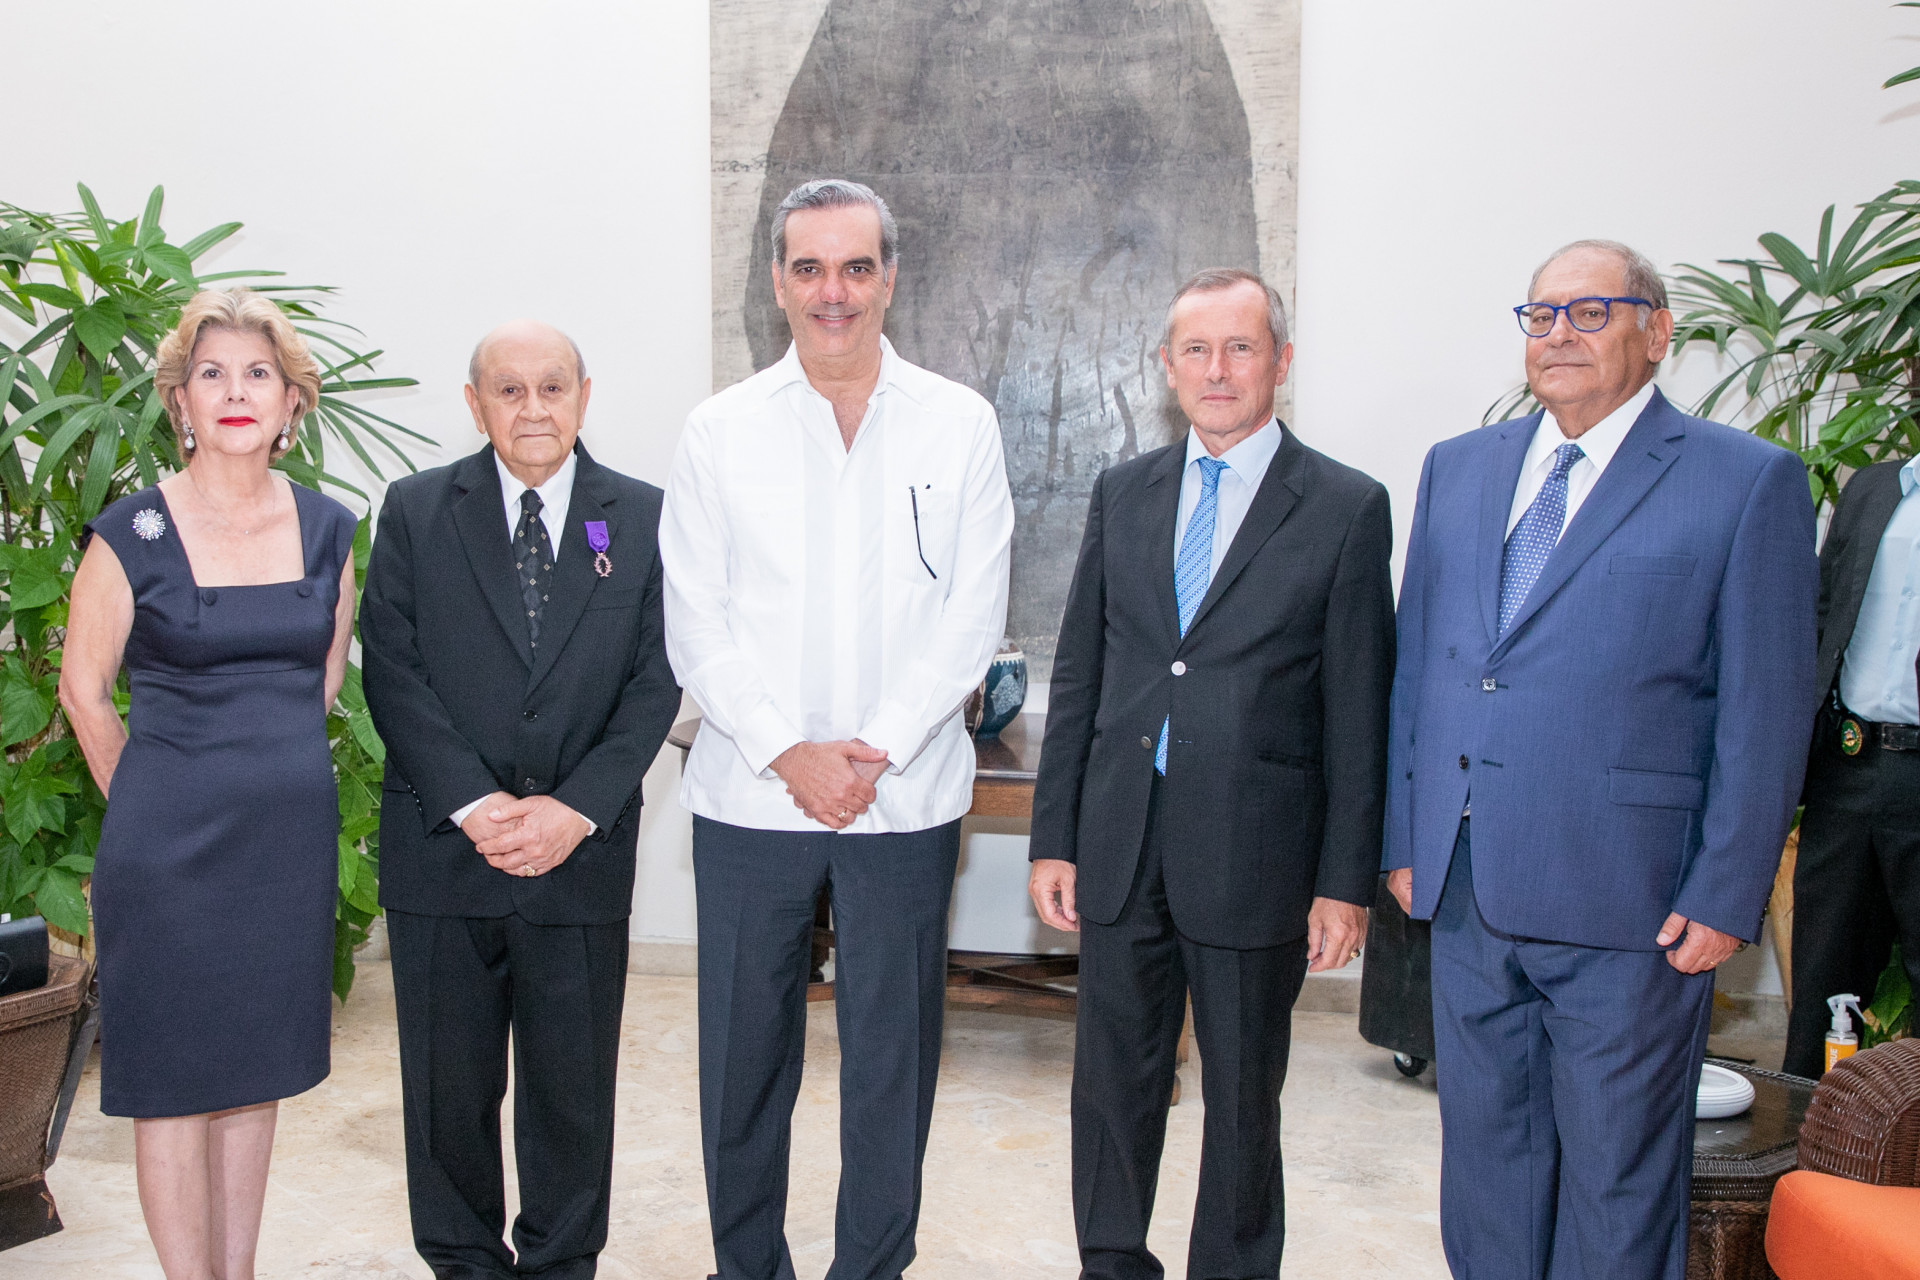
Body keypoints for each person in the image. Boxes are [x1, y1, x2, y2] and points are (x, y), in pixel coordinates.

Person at [1383, 240, 1819, 1279]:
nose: (1559, 335)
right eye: (1540, 316)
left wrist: (1727, 890)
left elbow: (1766, 709)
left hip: (1635, 905)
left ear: (1656, 331)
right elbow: (1422, 667)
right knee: (1486, 1172)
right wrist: (1408, 835)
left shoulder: (1745, 481)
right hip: (1469, 888)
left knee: (1617, 1186)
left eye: (1590, 312)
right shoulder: (1461, 466)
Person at [659, 178, 1014, 1280]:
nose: (833, 291)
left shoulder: (960, 422)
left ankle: (872, 1265)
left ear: (890, 276)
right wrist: (792, 753)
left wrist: (874, 749)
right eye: (808, 268)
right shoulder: (719, 431)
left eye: (856, 267)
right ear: (777, 282)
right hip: (750, 795)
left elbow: (972, 616)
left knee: (891, 1064)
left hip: (903, 799)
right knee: (744, 1061)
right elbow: (694, 619)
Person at [1026, 268, 1393, 1280]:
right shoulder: (1124, 491)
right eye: (1196, 349)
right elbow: (1084, 672)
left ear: (1281, 360)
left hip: (1258, 854)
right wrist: (1054, 834)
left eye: (1240, 347)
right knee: (1111, 1083)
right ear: (1166, 365)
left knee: (1240, 1092)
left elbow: (1362, 712)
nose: (1217, 368)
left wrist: (1342, 879)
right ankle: (1111, 1257)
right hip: (1120, 839)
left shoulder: (1347, 508)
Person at [359, 320, 680, 1279]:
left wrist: (571, 808)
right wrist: (473, 802)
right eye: (509, 390)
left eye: (552, 387)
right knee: (447, 1095)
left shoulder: (644, 516)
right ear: (475, 403)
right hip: (444, 853)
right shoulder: (416, 510)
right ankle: (461, 1261)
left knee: (572, 1096)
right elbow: (395, 670)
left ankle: (561, 1263)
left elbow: (656, 681)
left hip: (579, 856)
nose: (533, 407)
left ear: (585, 394)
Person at [60, 288, 356, 1280]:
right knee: (175, 1082)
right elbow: (84, 692)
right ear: (180, 401)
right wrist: (151, 801)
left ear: (290, 401)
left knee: (251, 1074)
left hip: (283, 851)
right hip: (168, 854)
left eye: (257, 373)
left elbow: (320, 682)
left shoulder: (327, 530)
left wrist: (257, 777)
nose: (236, 391)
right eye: (212, 373)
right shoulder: (129, 532)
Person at [1784, 451, 1920, 1077]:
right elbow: (1821, 610)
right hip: (1848, 765)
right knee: (1822, 982)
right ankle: (1802, 1153)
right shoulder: (1871, 487)